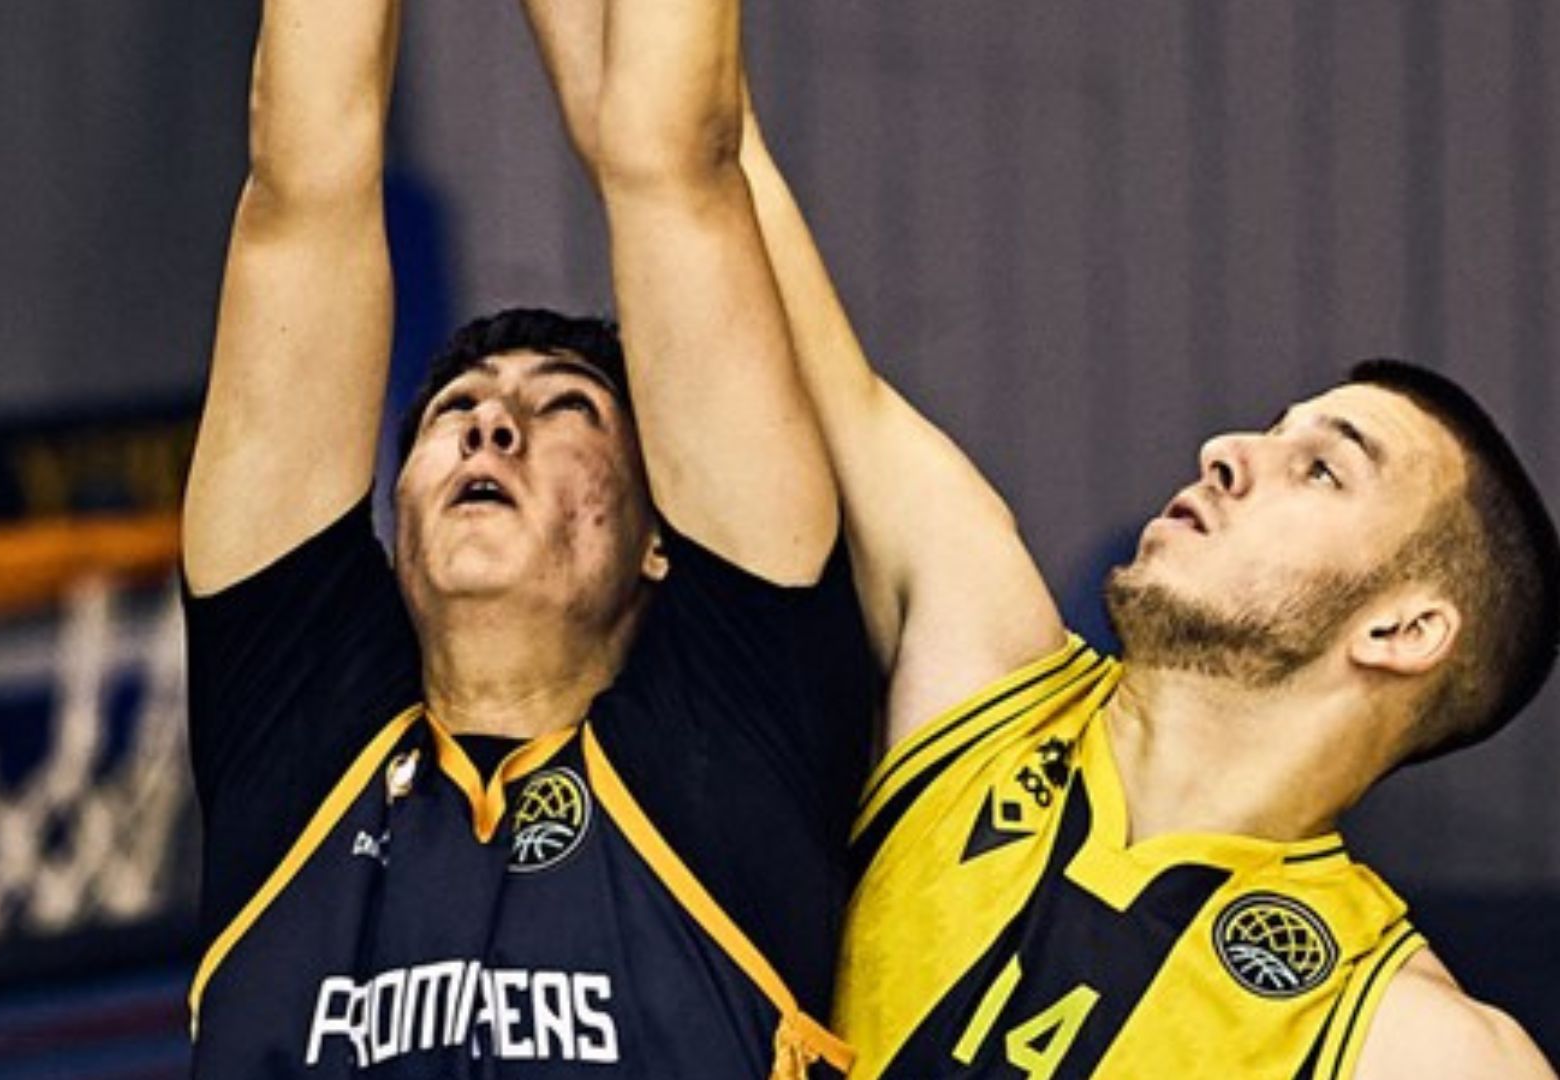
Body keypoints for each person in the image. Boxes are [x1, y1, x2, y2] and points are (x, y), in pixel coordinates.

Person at [720, 62, 1560, 1080]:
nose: (1226, 451)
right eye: (1271, 433)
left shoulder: (1417, 1046)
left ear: (1404, 630)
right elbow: (701, 170)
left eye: (1321, 469)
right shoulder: (987, 684)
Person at [177, 0, 873, 1072]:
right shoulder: (299, 734)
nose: (490, 426)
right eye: (455, 410)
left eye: (564, 408)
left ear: (660, 536)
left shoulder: (734, 738)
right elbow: (301, 193)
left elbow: (676, 170)